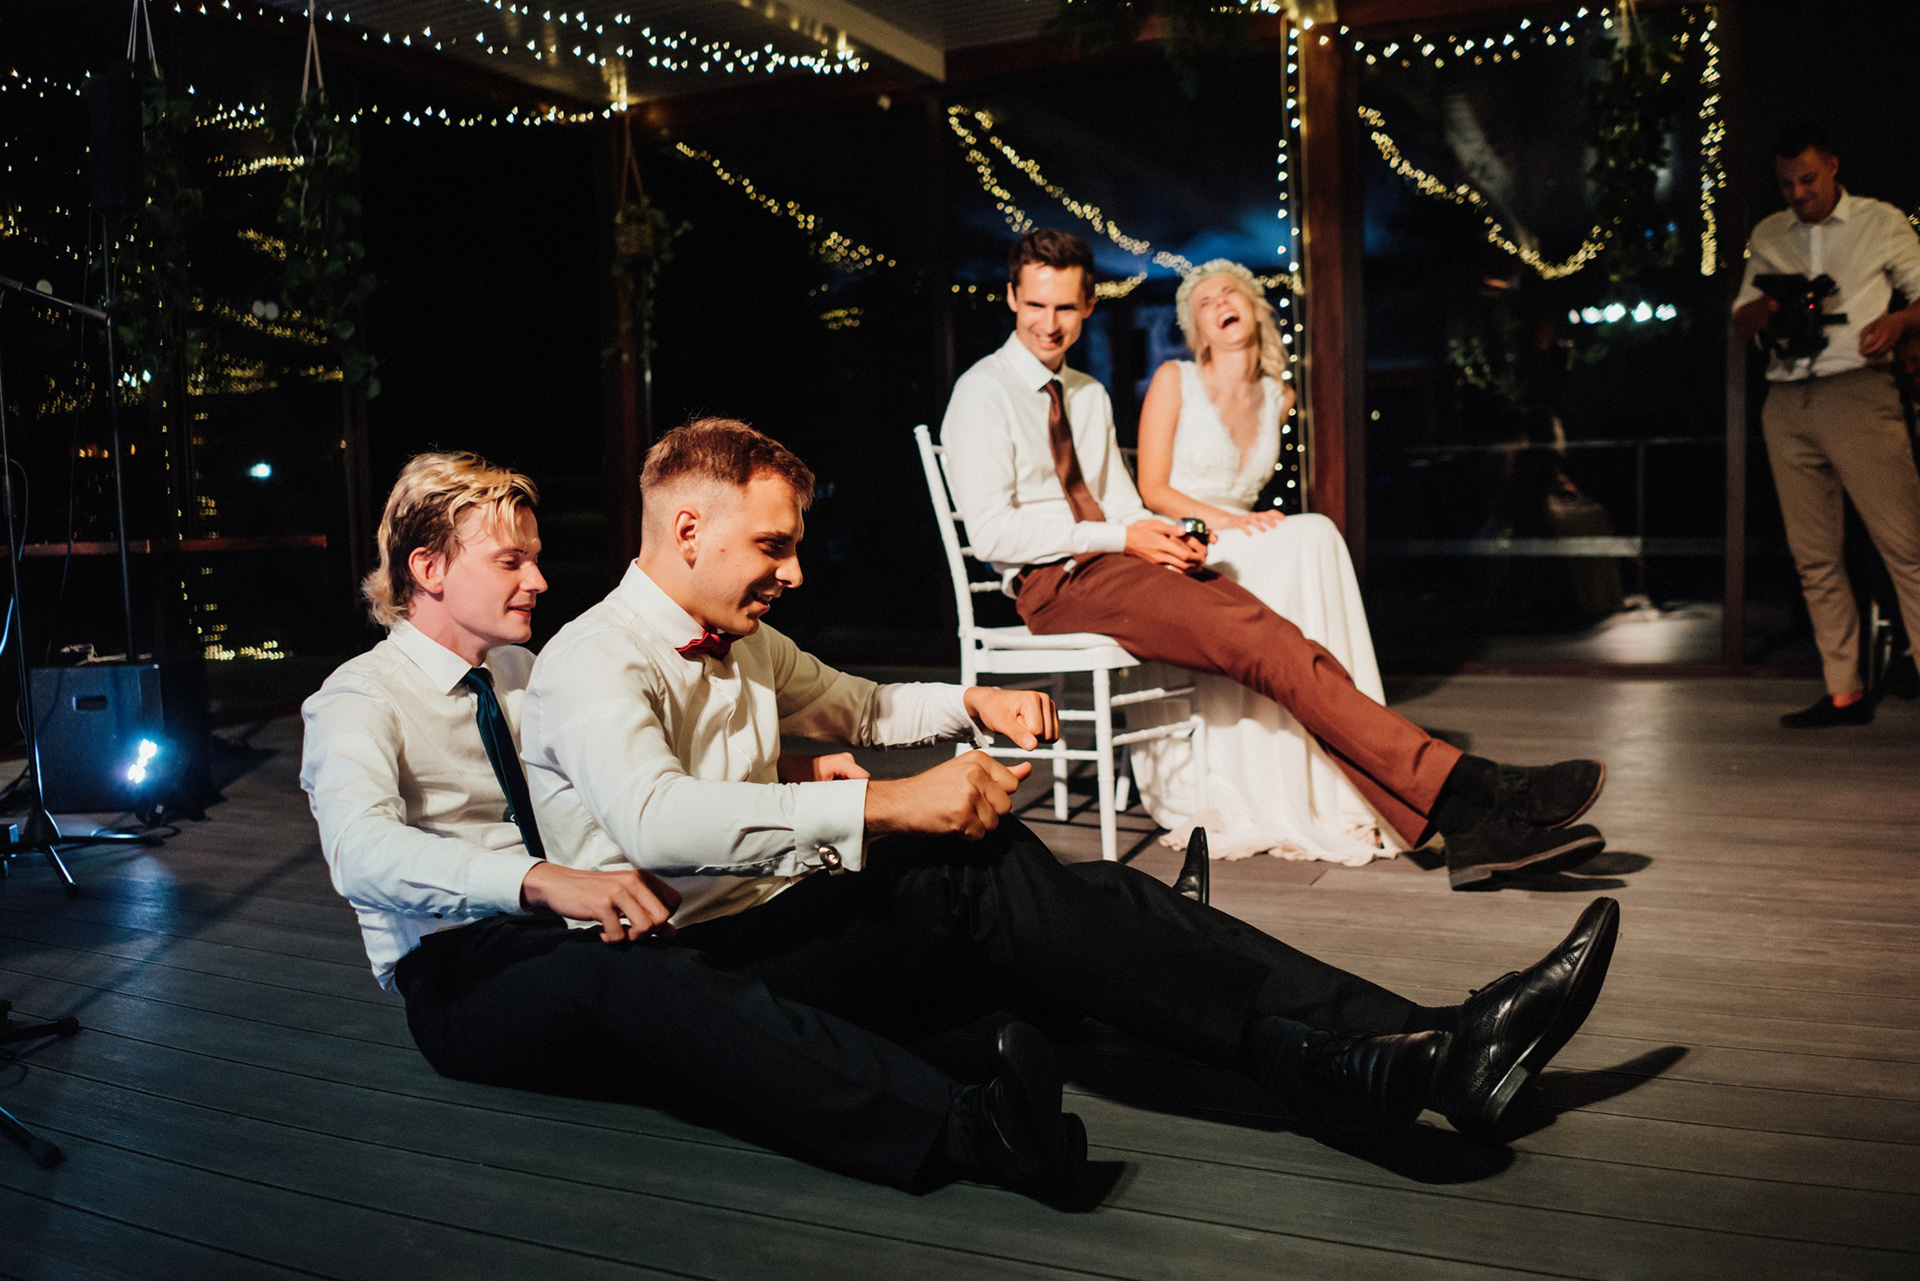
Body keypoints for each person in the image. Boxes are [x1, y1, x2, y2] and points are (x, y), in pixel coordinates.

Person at [521, 417, 1623, 1202]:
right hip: (706, 979)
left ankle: (1387, 1047)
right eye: (775, 545)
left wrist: (971, 700)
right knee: (1021, 885)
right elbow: (656, 822)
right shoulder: (590, 661)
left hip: (790, 921)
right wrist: (891, 807)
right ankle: (1401, 1046)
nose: (796, 571)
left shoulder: (749, 637)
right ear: (689, 531)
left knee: (1033, 879)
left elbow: (859, 703)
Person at [300, 452, 1113, 1198]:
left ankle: (1048, 970)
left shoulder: (522, 669)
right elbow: (360, 854)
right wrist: (542, 881)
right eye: (511, 561)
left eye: (536, 558)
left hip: (594, 924)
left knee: (776, 950)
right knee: (637, 984)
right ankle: (973, 1130)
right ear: (429, 569)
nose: (540, 580)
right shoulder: (356, 700)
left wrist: (793, 772)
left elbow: (623, 779)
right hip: (460, 972)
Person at [940, 228, 1607, 891]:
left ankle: (1464, 824)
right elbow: (993, 534)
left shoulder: (1087, 393)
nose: (1049, 324)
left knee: (1285, 644)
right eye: (1035, 305)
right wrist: (1124, 539)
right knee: (1264, 642)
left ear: (1089, 305)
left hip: (1122, 564)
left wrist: (1167, 537)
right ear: (1012, 298)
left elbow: (1119, 503)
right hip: (1055, 582)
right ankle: (1481, 786)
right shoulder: (982, 392)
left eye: (1065, 307)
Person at [1128, 258, 1395, 866]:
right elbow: (1152, 488)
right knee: (1312, 533)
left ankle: (1335, 767)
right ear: (1197, 330)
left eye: (1230, 292)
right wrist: (1225, 522)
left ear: (1253, 308)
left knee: (1313, 536)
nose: (1219, 303)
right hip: (1189, 538)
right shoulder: (1174, 378)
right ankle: (1329, 752)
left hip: (1247, 535)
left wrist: (1243, 524)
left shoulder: (1281, 395)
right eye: (1204, 302)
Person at [1732, 122, 1920, 727]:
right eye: (1787, 183)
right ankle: (1844, 691)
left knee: (1907, 547)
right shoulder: (1769, 233)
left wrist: (1897, 324)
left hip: (1858, 389)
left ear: (1833, 167)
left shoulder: (1880, 221)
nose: (1798, 193)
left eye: (1808, 180)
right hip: (1787, 399)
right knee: (1813, 557)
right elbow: (1741, 319)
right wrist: (1771, 307)